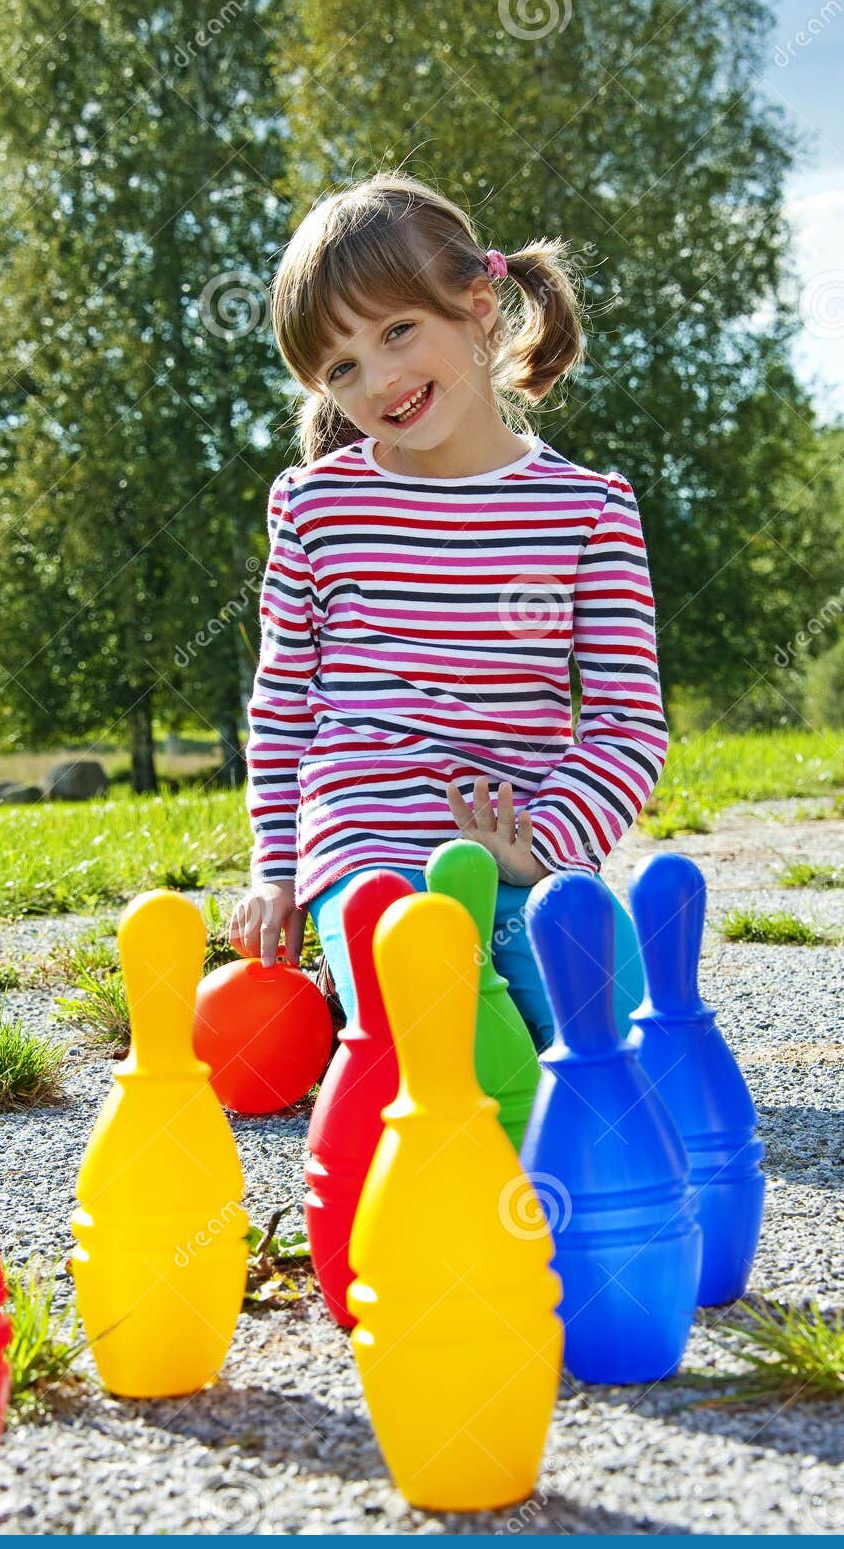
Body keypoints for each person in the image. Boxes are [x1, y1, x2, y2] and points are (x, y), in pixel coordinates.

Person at [229, 171, 668, 1050]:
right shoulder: (314, 506)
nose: (379, 379)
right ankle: (387, 1018)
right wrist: (277, 869)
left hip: (522, 857)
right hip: (367, 855)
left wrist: (542, 843)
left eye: (397, 330)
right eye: (342, 368)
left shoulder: (588, 509)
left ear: (478, 307)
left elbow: (627, 724)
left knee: (612, 1022)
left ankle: (413, 1027)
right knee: (436, 1014)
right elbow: (282, 708)